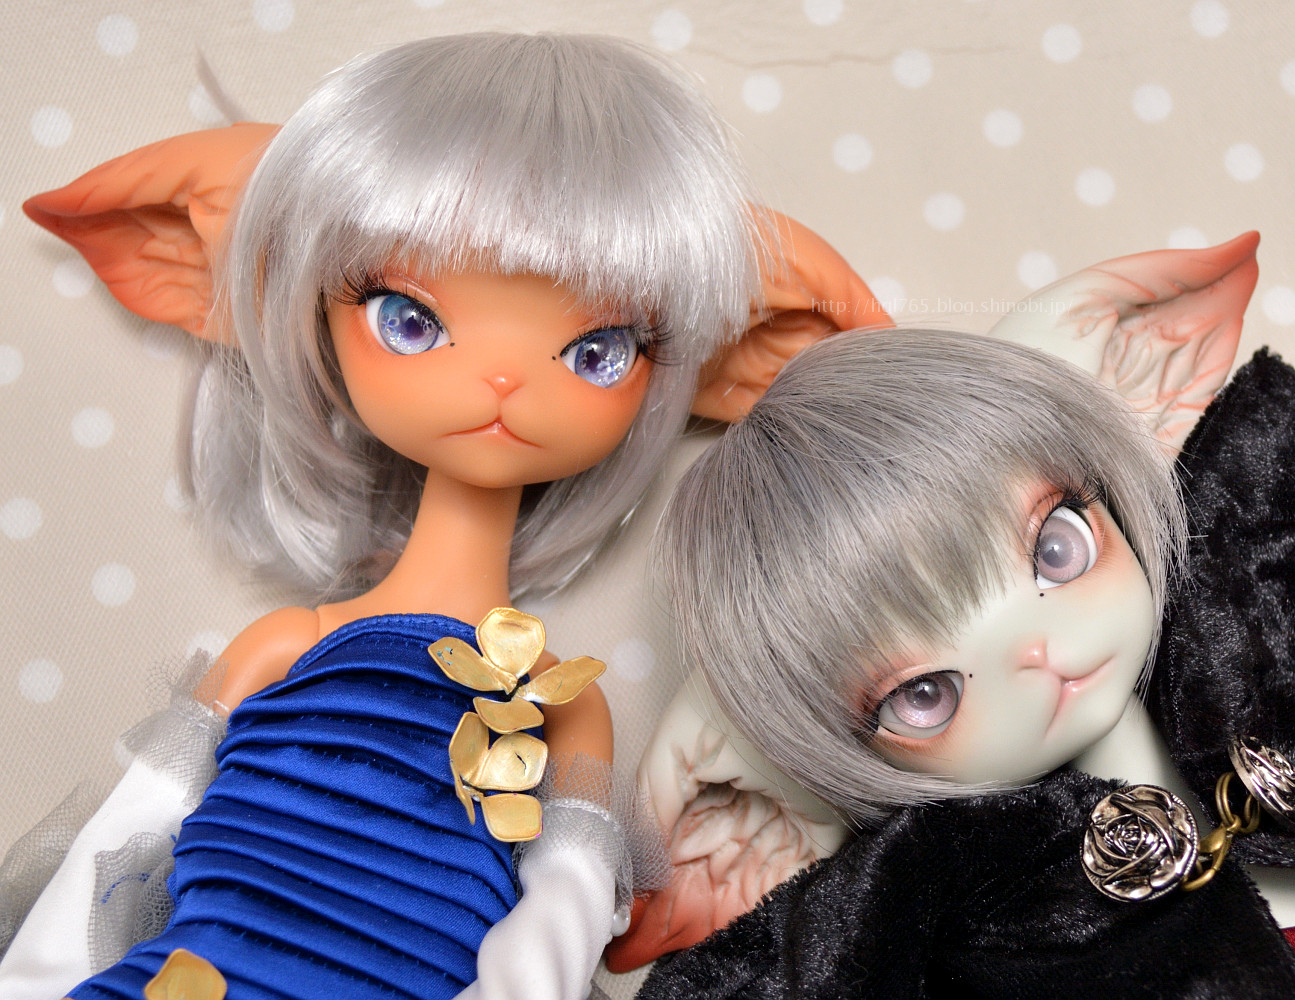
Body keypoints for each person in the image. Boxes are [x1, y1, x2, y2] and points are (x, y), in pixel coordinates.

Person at [2, 31, 886, 1000]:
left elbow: (564, 904)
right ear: (297, 301)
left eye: (598, 350)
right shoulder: (287, 645)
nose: (501, 380)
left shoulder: (564, 701)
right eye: (410, 320)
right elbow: (130, 836)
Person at [628, 238, 1295, 997]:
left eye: (1055, 550)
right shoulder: (940, 890)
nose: (1037, 653)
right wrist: (756, 713)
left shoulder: (1288, 590)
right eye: (925, 694)